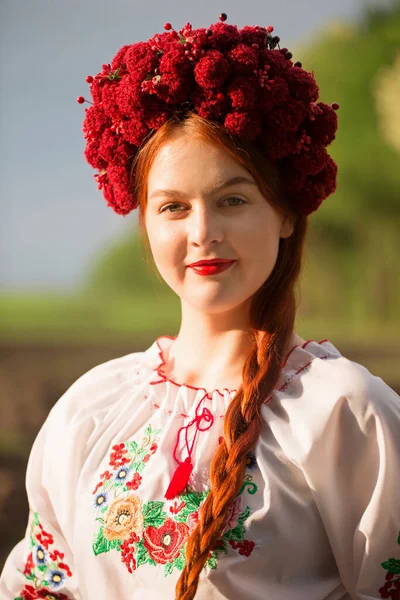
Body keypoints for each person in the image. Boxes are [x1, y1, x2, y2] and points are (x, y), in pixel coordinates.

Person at [1, 12, 399, 600]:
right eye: (173, 207)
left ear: (286, 212)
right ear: (144, 222)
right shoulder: (91, 409)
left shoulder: (346, 415)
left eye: (232, 199)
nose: (203, 232)